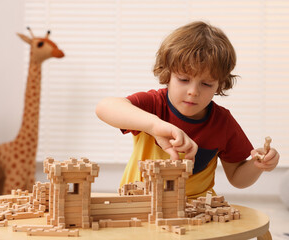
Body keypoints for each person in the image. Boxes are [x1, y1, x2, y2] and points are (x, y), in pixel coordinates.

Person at [96, 21, 279, 199]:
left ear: (219, 85)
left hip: (195, 209)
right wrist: (154, 125)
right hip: (139, 201)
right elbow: (104, 107)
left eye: (206, 84)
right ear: (168, 75)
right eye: (183, 79)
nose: (193, 92)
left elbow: (238, 178)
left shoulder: (223, 122)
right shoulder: (154, 104)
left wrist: (258, 165)